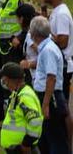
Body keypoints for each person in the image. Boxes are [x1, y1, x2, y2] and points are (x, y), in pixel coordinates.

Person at [30, 16, 70, 153]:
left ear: (34, 34)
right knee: (47, 136)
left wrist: (46, 104)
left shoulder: (48, 50)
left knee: (55, 137)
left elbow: (51, 77)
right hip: (48, 95)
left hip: (50, 96)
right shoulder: (47, 48)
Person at [0, 62, 43, 153]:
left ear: (10, 79)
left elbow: (35, 121)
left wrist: (26, 143)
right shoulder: (17, 93)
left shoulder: (24, 97)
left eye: (4, 79)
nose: (3, 82)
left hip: (22, 149)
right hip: (16, 148)